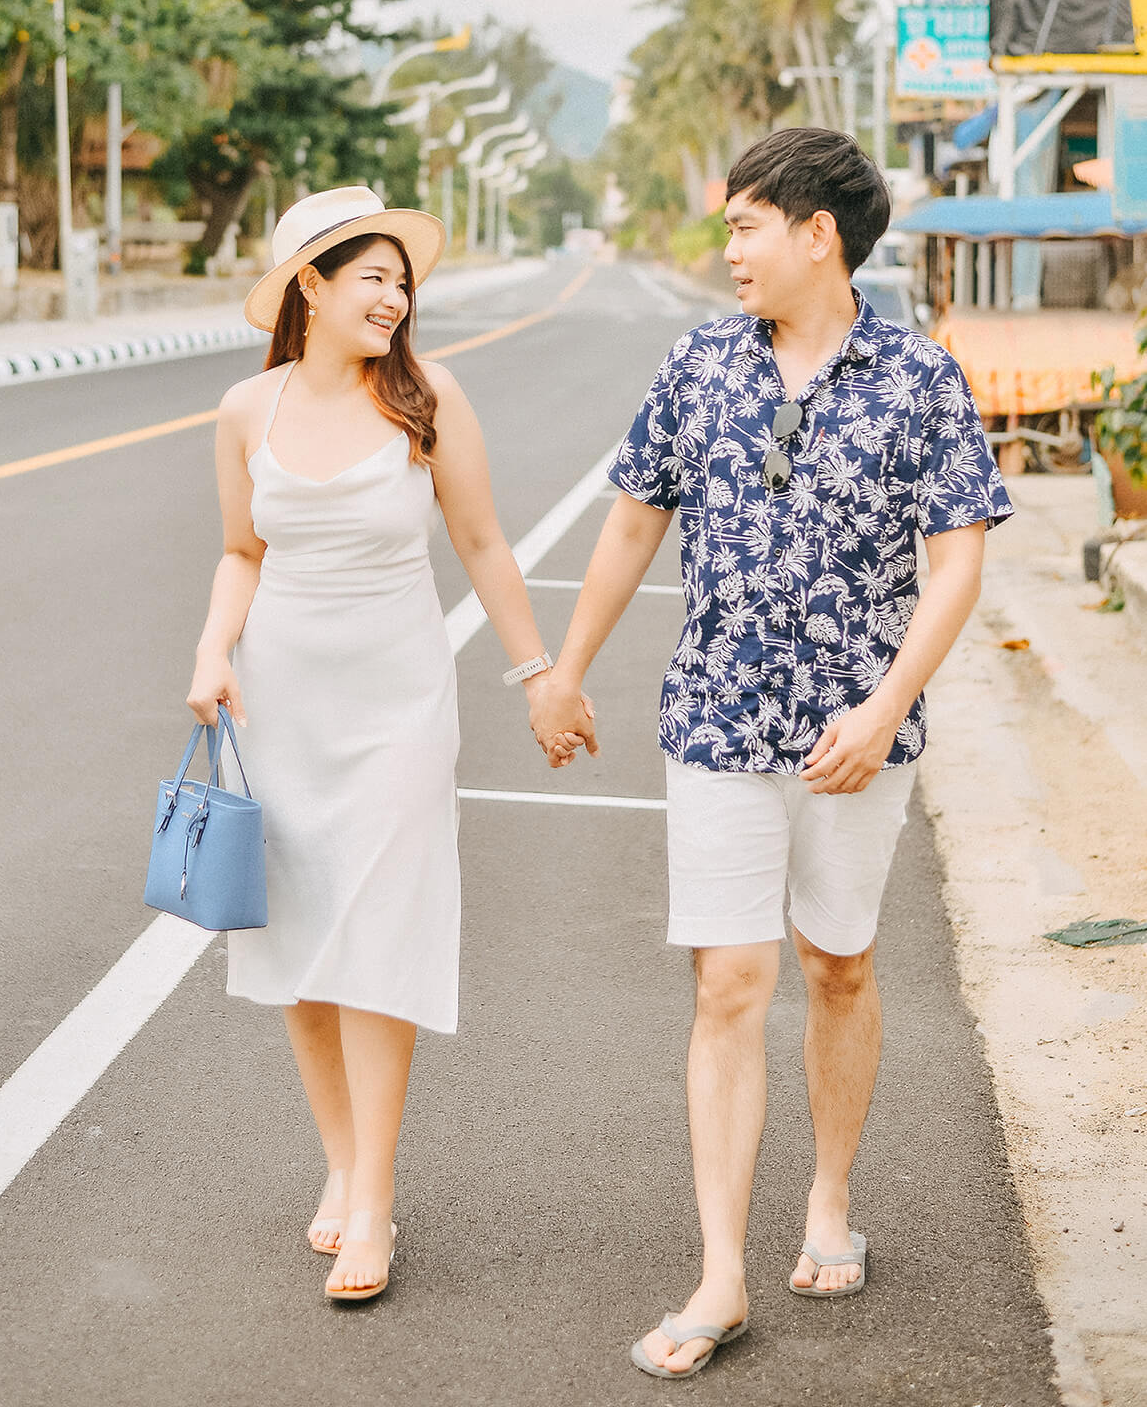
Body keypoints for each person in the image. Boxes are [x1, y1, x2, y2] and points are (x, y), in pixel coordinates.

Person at [529, 128, 1012, 1378]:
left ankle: (830, 1201)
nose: (727, 247)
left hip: (857, 733)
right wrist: (565, 667)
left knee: (836, 963)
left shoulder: (918, 378)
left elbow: (956, 557)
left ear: (819, 234)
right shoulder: (698, 363)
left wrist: (887, 697)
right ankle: (721, 1270)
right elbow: (636, 517)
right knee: (728, 982)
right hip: (715, 721)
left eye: (747, 224)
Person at [186, 185, 591, 1304]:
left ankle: (375, 1196)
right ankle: (341, 1158)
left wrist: (537, 675)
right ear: (308, 285)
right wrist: (212, 650)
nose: (395, 295)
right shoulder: (243, 408)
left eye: (402, 279)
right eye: (371, 275)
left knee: (378, 937)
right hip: (279, 703)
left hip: (398, 702)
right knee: (300, 945)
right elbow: (238, 550)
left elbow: (480, 539)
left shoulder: (424, 394)